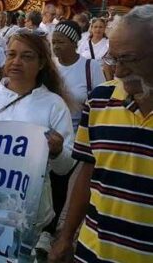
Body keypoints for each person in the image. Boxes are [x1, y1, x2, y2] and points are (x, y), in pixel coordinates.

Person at [50, 5, 153, 263]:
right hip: (91, 252)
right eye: (113, 59)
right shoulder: (99, 100)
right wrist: (65, 237)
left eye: (128, 59)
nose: (118, 71)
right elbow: (87, 173)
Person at [0, 30, 75, 258]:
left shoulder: (53, 105)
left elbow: (65, 167)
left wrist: (55, 151)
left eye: (26, 56)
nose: (16, 62)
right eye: (11, 55)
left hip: (25, 213)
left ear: (42, 63)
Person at [42, 20, 105, 253]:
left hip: (79, 138)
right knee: (50, 183)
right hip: (52, 134)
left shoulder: (90, 67)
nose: (56, 47)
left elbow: (98, 102)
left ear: (73, 43)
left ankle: (62, 234)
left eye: (60, 42)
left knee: (68, 187)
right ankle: (47, 232)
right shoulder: (50, 67)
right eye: (53, 42)